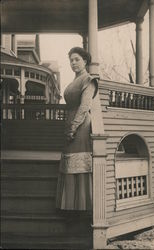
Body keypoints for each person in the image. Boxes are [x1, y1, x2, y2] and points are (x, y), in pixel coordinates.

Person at [56, 47, 98, 211]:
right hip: (70, 123)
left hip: (80, 126)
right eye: (71, 60)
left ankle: (82, 207)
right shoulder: (75, 80)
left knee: (78, 163)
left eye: (77, 59)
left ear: (85, 61)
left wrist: (73, 127)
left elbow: (84, 106)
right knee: (69, 164)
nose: (73, 63)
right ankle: (69, 206)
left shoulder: (88, 80)